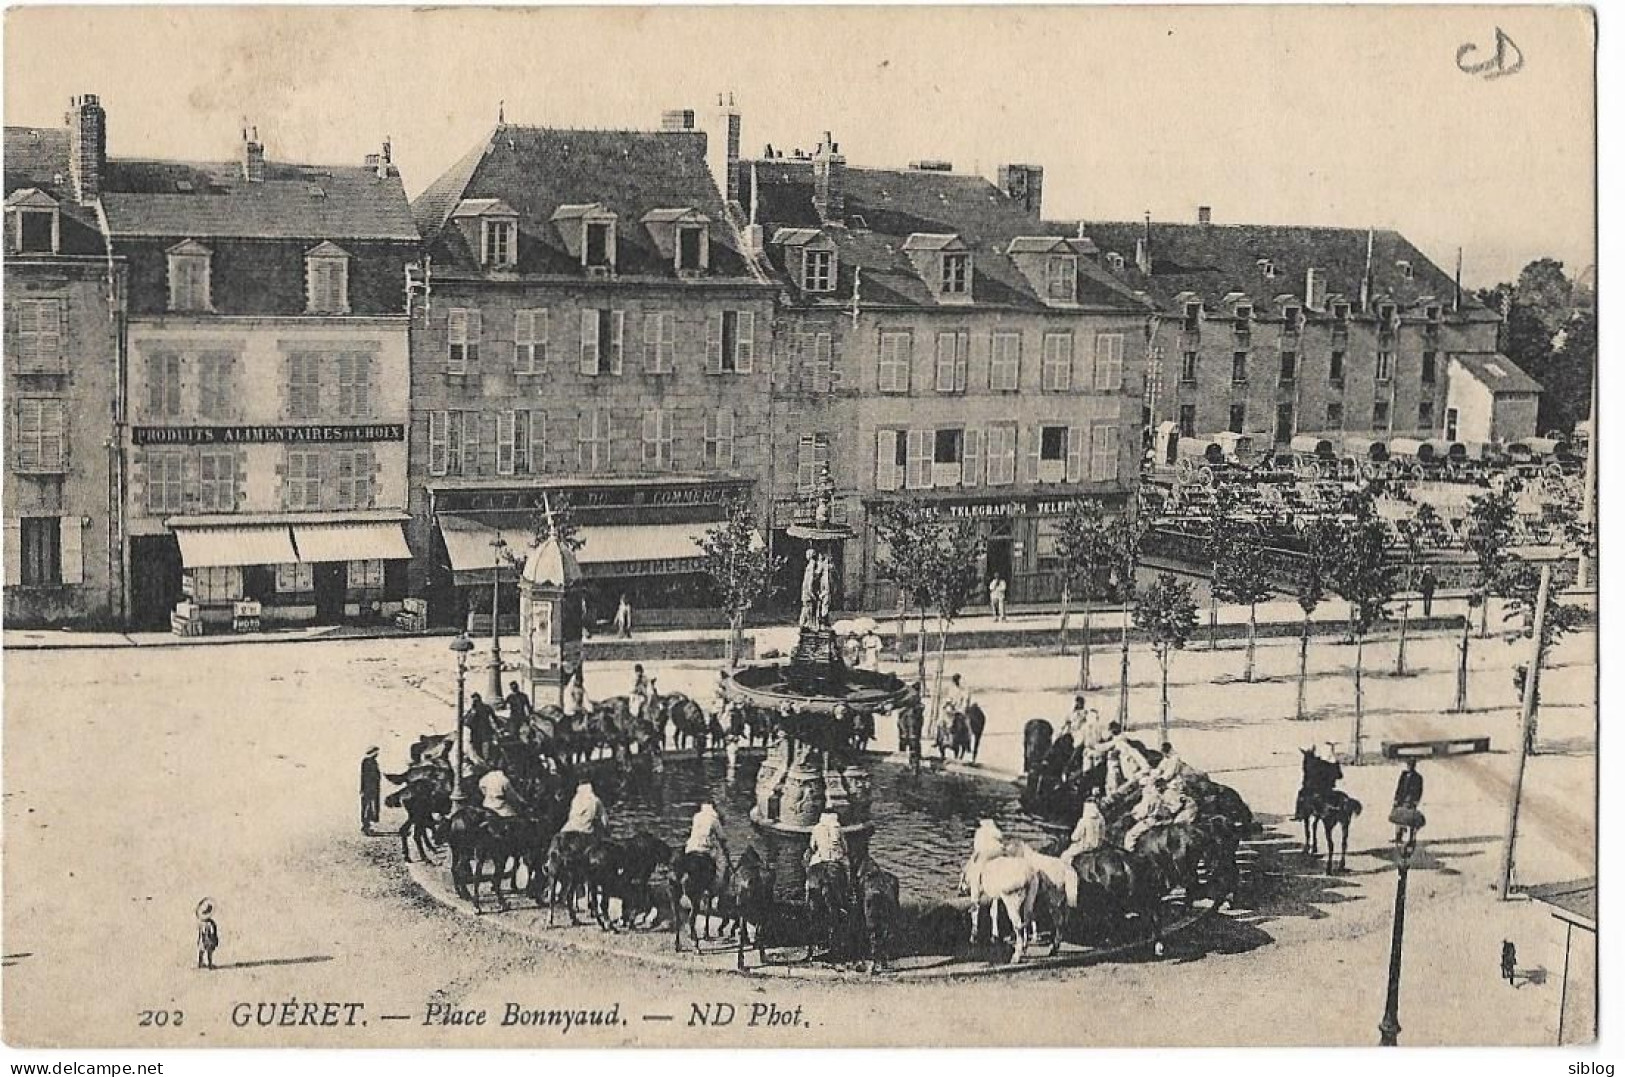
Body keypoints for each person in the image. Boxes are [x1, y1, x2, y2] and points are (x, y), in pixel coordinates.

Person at [1122, 778, 1197, 852]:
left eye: (1142, 786)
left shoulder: (1150, 796)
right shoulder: (1170, 792)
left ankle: (1132, 855)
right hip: (1171, 819)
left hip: (1155, 820)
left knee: (1130, 835)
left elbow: (1141, 814)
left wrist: (1134, 815)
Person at [684, 801, 732, 887]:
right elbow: (722, 837)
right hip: (704, 851)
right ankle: (717, 888)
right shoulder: (714, 819)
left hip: (690, 849)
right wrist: (726, 850)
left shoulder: (696, 817)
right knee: (720, 866)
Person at [806, 810, 851, 886]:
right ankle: (849, 888)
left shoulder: (816, 828)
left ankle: (807, 890)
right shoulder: (838, 828)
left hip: (821, 857)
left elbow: (812, 846)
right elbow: (844, 846)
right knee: (847, 869)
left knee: (810, 870)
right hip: (837, 857)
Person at [1062, 796, 1108, 863]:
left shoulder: (1084, 820)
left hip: (1085, 846)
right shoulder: (1101, 819)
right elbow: (1103, 834)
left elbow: (1075, 837)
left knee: (1065, 856)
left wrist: (1073, 837)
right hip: (1098, 846)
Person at [1392, 758, 1426, 844]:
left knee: (1411, 820)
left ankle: (1411, 838)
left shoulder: (1418, 777)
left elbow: (1419, 790)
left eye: (1412, 765)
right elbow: (1399, 787)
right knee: (1399, 818)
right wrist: (1396, 798)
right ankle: (1398, 836)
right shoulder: (1404, 775)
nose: (1410, 767)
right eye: (1409, 765)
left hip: (1411, 801)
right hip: (1401, 799)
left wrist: (1416, 801)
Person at [360, 746, 381, 834]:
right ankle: (366, 827)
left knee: (371, 808)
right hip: (369, 788)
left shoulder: (373, 761)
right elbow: (364, 776)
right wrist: (363, 789)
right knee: (368, 807)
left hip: (373, 788)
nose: (377, 754)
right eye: (376, 752)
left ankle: (367, 826)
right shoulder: (367, 761)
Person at [195, 899, 220, 970]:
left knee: (201, 951)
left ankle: (200, 963)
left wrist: (199, 939)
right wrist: (214, 939)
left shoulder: (201, 923)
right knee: (209, 952)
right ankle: (210, 965)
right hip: (208, 940)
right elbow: (212, 932)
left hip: (202, 939)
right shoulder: (210, 923)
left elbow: (200, 932)